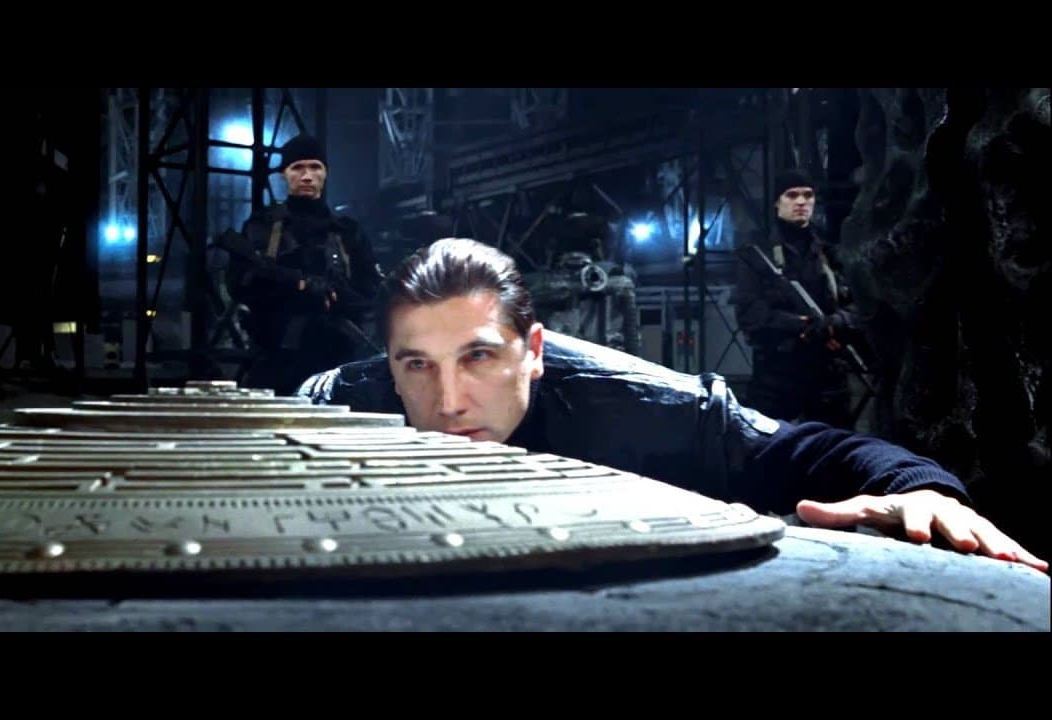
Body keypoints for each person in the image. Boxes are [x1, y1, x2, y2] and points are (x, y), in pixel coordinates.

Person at [297, 237, 1047, 572]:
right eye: (417, 366)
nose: (448, 401)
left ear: (535, 350)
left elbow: (804, 449)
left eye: (479, 357)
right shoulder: (336, 407)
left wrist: (917, 488)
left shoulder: (649, 408)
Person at [218, 133, 383, 395]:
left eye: (315, 167)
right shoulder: (264, 227)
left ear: (325, 173)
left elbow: (371, 290)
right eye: (297, 168)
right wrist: (297, 286)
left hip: (337, 354)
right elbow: (240, 283)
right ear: (284, 174)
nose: (307, 176)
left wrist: (335, 295)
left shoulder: (347, 232)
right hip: (276, 356)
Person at [732, 169, 861, 428]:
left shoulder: (828, 252)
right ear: (777, 202)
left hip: (827, 375)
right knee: (769, 444)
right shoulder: (759, 254)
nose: (801, 202)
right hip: (777, 374)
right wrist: (800, 326)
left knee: (835, 446)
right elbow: (749, 313)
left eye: (808, 195)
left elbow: (859, 306)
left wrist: (834, 323)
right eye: (792, 195)